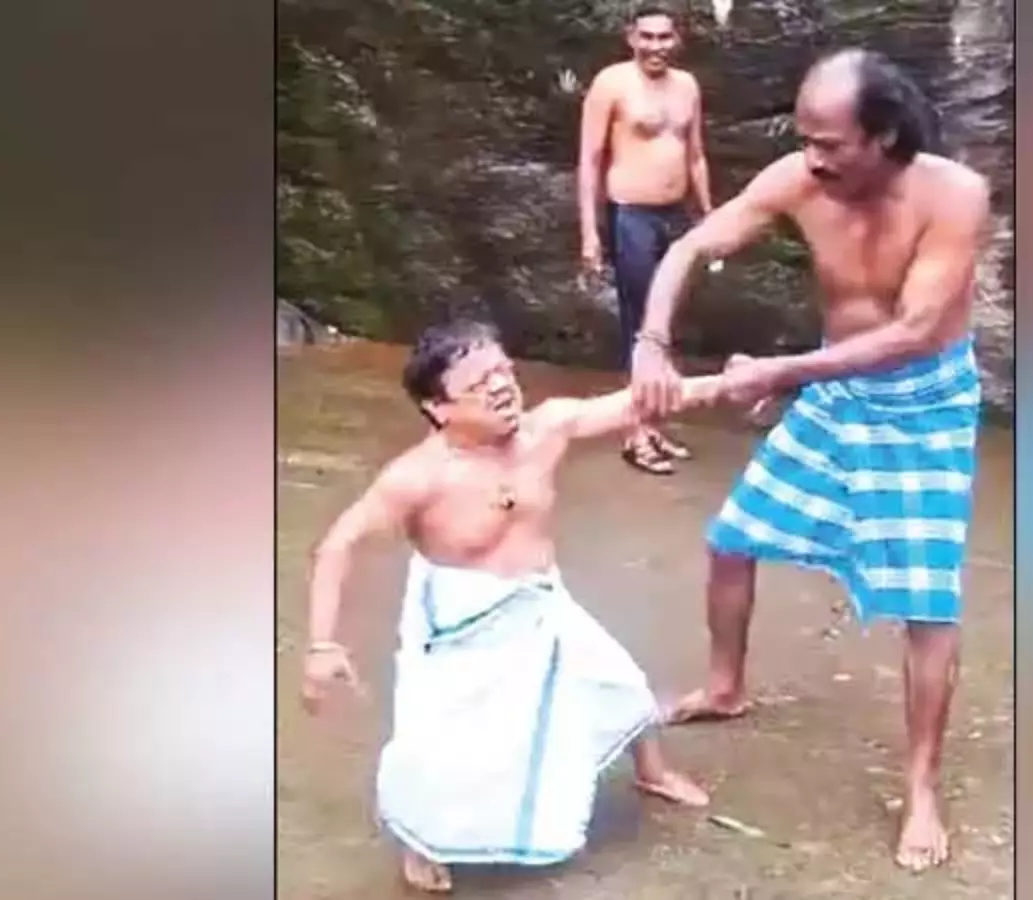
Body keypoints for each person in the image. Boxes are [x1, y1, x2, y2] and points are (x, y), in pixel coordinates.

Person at [629, 48, 990, 872]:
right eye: (805, 139)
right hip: (835, 390)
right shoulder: (798, 179)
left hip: (924, 405)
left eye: (829, 143)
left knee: (927, 602)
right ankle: (726, 686)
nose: (812, 158)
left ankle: (921, 786)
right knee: (732, 540)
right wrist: (651, 342)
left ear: (884, 135)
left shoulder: (954, 196)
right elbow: (692, 247)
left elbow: (912, 332)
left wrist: (780, 374)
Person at [300, 319, 723, 893]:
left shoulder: (546, 428)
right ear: (438, 408)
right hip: (460, 619)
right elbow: (338, 545)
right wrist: (322, 645)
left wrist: (731, 383)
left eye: (503, 370)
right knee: (436, 747)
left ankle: (653, 771)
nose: (502, 386)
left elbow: (637, 402)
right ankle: (419, 840)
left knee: (618, 682)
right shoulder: (416, 478)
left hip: (541, 597)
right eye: (479, 383)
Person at [578, 2, 714, 475]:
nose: (656, 46)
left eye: (664, 37)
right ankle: (636, 432)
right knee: (640, 326)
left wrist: (709, 216)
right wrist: (590, 232)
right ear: (631, 38)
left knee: (665, 322)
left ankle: (654, 425)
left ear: (677, 40)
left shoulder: (687, 86)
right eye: (647, 37)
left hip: (673, 216)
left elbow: (695, 155)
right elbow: (589, 160)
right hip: (631, 215)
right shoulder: (611, 83)